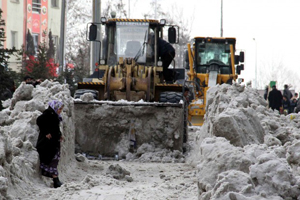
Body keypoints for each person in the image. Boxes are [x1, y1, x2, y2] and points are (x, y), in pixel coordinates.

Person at [36, 100, 64, 188]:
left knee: (54, 159)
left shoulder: (55, 115)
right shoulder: (48, 114)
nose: (60, 111)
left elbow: (55, 128)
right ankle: (56, 181)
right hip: (48, 144)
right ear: (55, 107)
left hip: (53, 143)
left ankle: (56, 180)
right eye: (59, 109)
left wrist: (60, 135)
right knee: (53, 160)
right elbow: (39, 121)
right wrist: (46, 132)